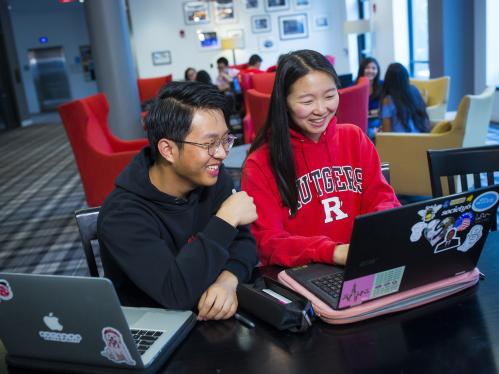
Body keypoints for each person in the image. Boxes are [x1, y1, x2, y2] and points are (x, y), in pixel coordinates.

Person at [98, 81, 258, 321]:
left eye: (225, 139)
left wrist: (227, 280)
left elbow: (244, 242)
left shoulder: (212, 178)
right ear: (168, 150)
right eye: (209, 143)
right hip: (153, 327)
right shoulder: (122, 214)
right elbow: (175, 294)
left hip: (212, 320)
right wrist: (225, 219)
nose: (223, 153)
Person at [241, 49, 400, 267]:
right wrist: (332, 252)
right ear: (284, 101)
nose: (321, 110)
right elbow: (268, 242)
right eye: (307, 101)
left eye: (329, 96)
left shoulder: (354, 137)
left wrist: (379, 232)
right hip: (306, 272)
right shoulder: (260, 163)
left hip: (364, 261)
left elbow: (383, 198)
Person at [379, 62, 430, 133]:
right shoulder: (415, 91)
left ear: (388, 79)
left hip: (401, 141)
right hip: (422, 138)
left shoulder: (388, 100)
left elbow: (387, 132)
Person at [356, 57, 383, 139]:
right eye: (367, 68)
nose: (371, 70)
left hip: (378, 122)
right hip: (361, 123)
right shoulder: (354, 87)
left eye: (374, 68)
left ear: (377, 71)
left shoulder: (383, 85)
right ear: (362, 70)